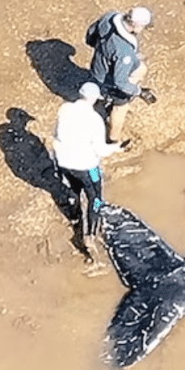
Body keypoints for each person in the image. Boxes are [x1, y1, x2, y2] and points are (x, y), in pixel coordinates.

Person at [52, 82, 123, 252]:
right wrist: (117, 148)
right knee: (96, 196)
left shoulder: (65, 109)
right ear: (93, 98)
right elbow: (101, 150)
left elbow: (56, 133)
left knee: (74, 189)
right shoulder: (94, 120)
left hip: (64, 162)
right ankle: (90, 234)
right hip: (86, 165)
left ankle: (76, 216)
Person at [85, 6, 156, 143]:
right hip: (109, 81)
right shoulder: (124, 52)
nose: (143, 30)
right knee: (121, 107)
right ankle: (114, 140)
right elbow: (120, 82)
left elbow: (90, 35)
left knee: (141, 68)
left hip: (97, 67)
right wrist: (138, 91)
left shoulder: (110, 17)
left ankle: (103, 100)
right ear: (135, 24)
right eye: (143, 26)